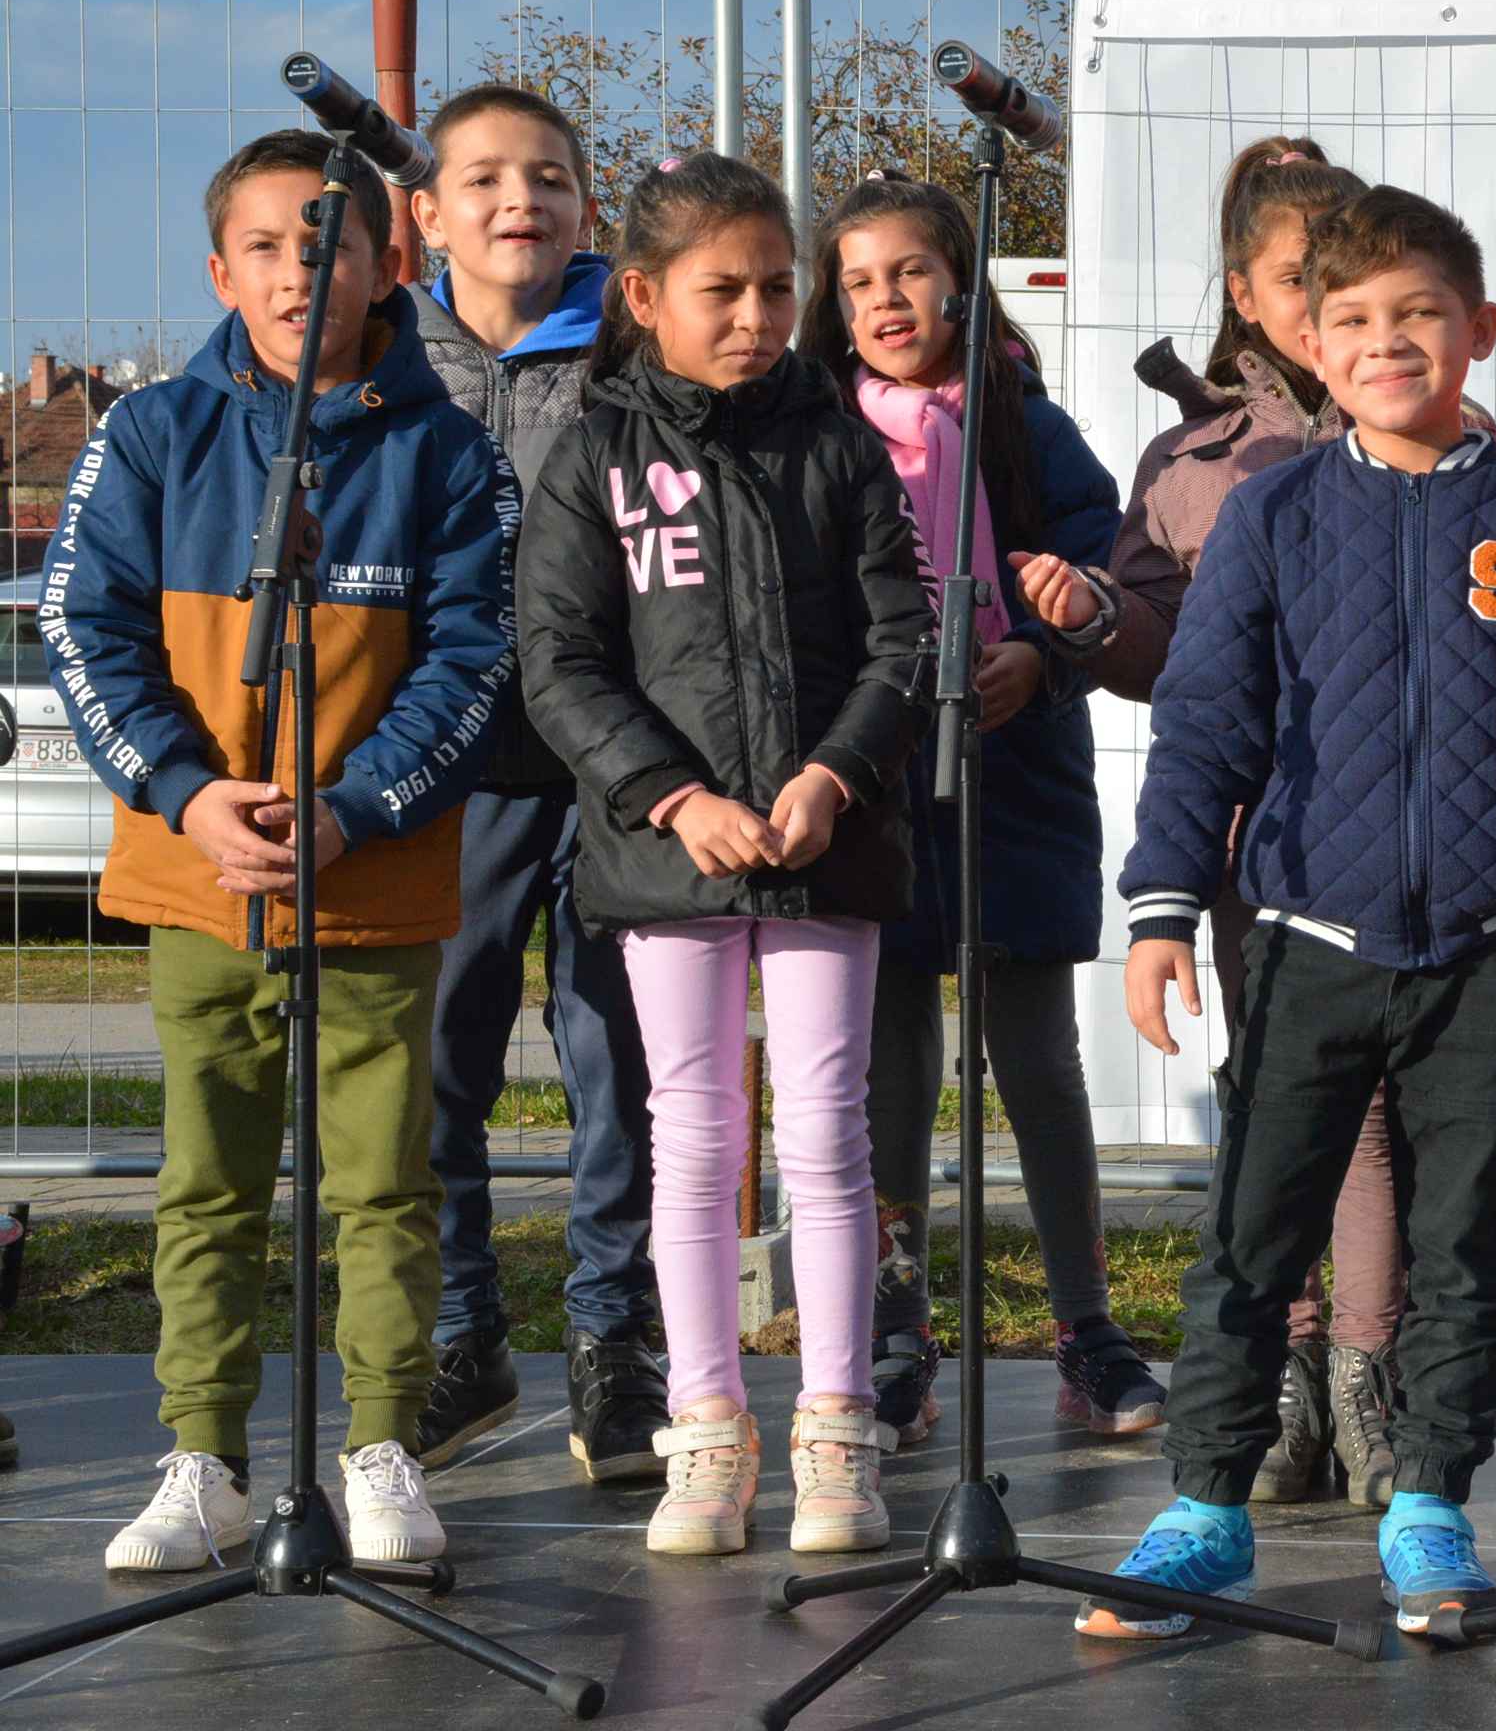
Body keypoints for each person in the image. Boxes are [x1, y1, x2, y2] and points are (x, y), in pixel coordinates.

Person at [1073, 184, 1496, 1639]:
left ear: (1479, 331)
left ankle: (1428, 1509)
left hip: (1486, 953)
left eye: (1418, 314)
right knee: (1250, 1235)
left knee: (1464, 1249)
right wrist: (1158, 908)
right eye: (1352, 320)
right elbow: (1207, 725)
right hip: (1303, 942)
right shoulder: (1275, 515)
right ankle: (1205, 1511)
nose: (1386, 342)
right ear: (1307, 344)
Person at [57, 130, 517, 1571]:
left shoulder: (444, 449)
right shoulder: (148, 435)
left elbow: (474, 655)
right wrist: (189, 794)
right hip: (200, 883)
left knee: (382, 1183)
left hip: (368, 889)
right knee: (207, 1186)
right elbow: (89, 631)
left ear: (390, 265)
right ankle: (202, 1457)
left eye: (328, 247)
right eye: (264, 247)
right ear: (217, 269)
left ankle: (379, 1443)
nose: (297, 272)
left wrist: (350, 808)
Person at [516, 154, 929, 1558]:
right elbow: (559, 663)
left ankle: (835, 1429)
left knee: (824, 1136)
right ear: (644, 296)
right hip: (665, 858)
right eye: (722, 290)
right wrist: (674, 799)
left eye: (773, 286)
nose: (756, 313)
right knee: (690, 1141)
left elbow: (901, 637)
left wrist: (835, 775)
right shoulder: (595, 456)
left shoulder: (839, 440)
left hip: (829, 843)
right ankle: (704, 1433)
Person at [1018, 137, 1413, 1506]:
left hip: (1399, 838)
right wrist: (1092, 615)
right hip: (1262, 841)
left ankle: (1372, 1377)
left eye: (1347, 274)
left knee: (1370, 1108)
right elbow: (1157, 648)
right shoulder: (1192, 460)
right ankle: (1296, 1371)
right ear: (1246, 293)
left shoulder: (1430, 430)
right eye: (1298, 280)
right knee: (1284, 1101)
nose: (1325, 306)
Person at [797, 171, 1164, 1444]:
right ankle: (896, 1331)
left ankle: (1086, 1329)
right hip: (878, 785)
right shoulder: (822, 426)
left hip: (1017, 779)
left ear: (960, 276)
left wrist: (1047, 653)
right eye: (856, 281)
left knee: (1036, 1063)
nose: (886, 298)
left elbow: (1097, 561)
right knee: (887, 1068)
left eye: (907, 269)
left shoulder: (1024, 421)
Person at [404, 82, 666, 1483]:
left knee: (611, 1051)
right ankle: (463, 1336)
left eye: (553, 177)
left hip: (611, 753)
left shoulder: (630, 353)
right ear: (427, 211)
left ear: (587, 203)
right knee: (440, 1049)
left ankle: (613, 1345)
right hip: (447, 761)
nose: (524, 202)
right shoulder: (384, 357)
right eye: (490, 178)